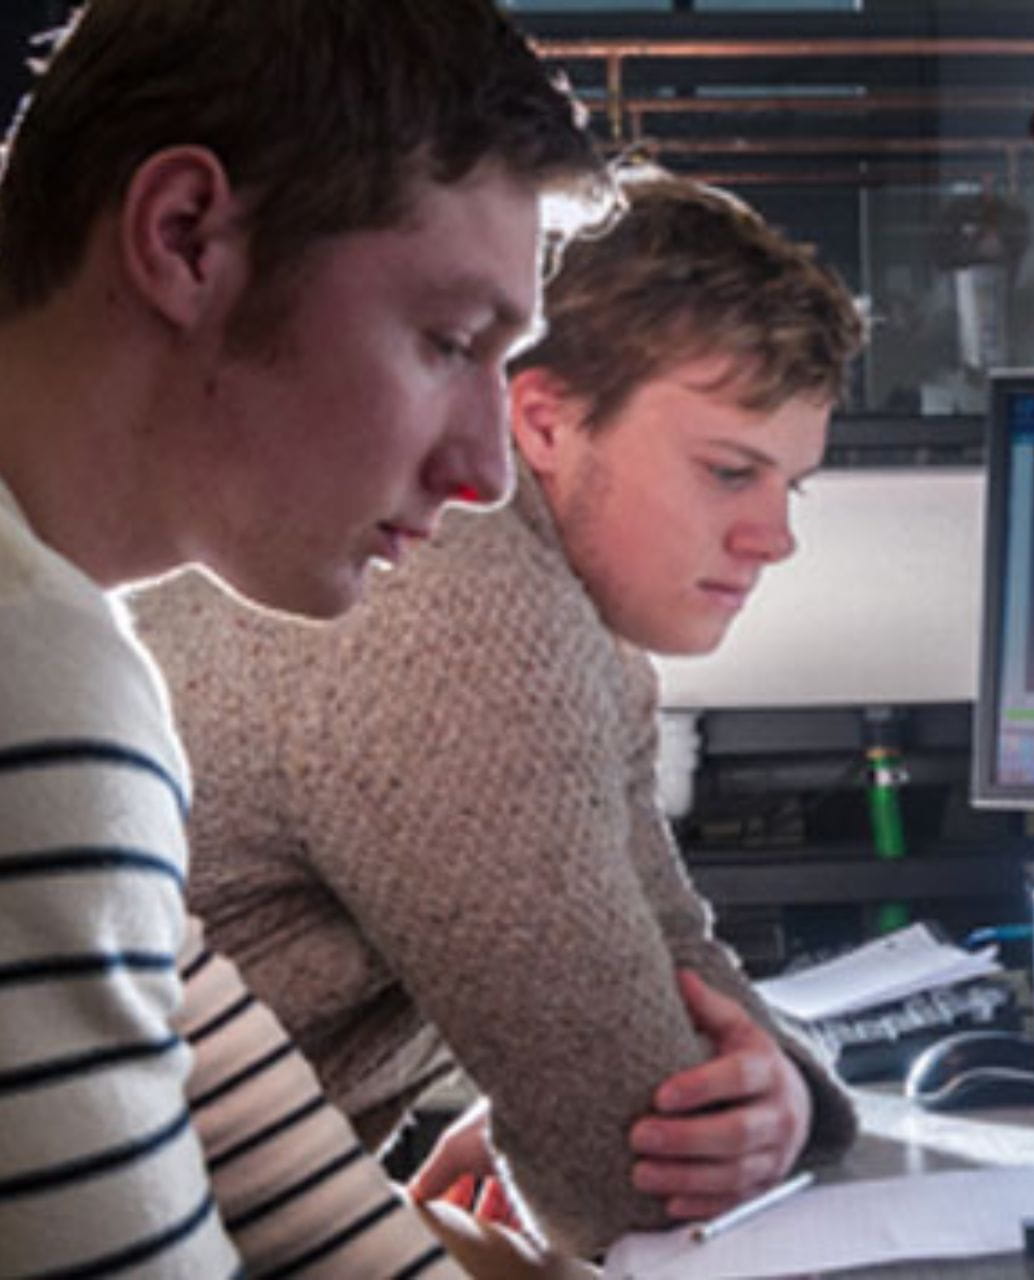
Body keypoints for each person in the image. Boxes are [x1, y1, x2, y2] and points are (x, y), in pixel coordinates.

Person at [133, 174, 869, 1256]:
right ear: (546, 421)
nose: (774, 536)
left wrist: (789, 1091)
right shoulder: (460, 602)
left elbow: (673, 947)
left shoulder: (570, 613)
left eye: (788, 487)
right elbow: (627, 1175)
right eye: (728, 472)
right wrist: (741, 1102)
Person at [0, 0, 605, 1274]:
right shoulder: (31, 674)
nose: (490, 468)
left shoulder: (65, 636)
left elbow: (317, 1223)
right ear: (186, 237)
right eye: (449, 341)